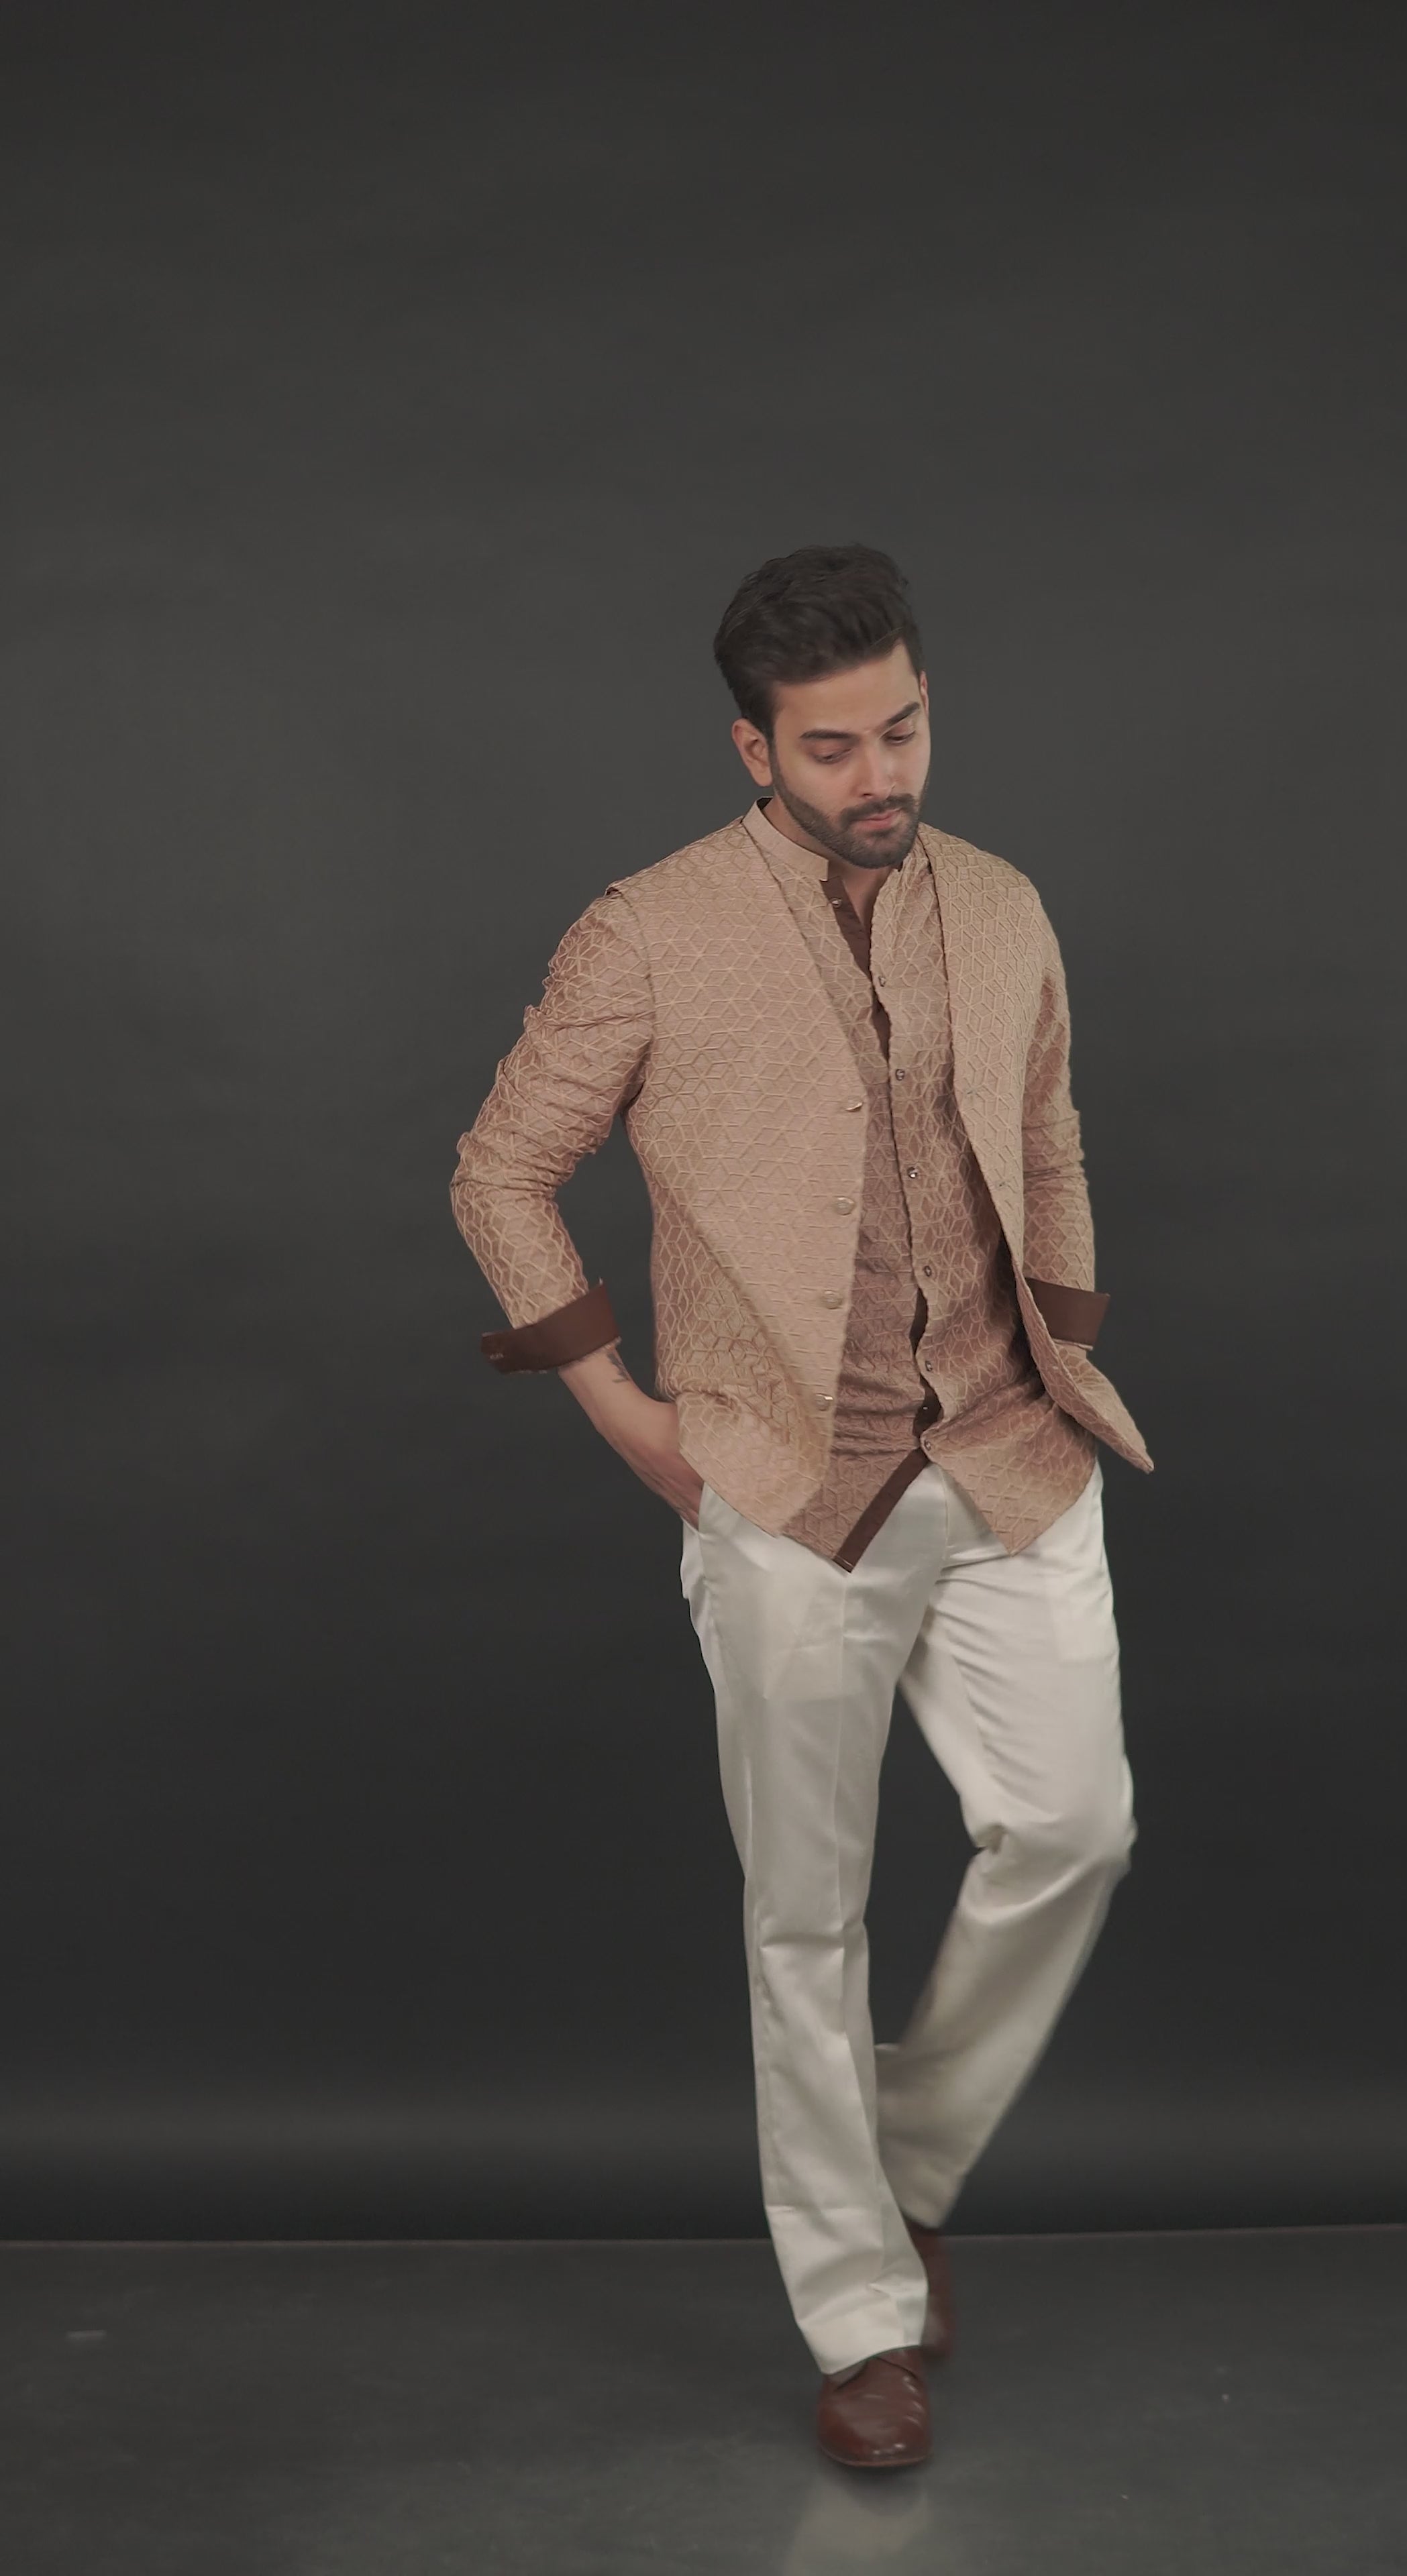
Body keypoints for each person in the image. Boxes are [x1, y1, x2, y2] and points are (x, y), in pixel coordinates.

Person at [450, 544, 1151, 2469]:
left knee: (1073, 1828)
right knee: (805, 1923)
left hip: (1007, 1451)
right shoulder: (650, 929)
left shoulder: (1001, 905)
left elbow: (1049, 1132)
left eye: (900, 729)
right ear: (753, 748)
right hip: (777, 1477)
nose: (878, 773)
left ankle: (898, 2162)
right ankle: (860, 2320)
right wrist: (620, 1406)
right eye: (831, 746)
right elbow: (501, 1169)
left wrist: (1066, 1333)